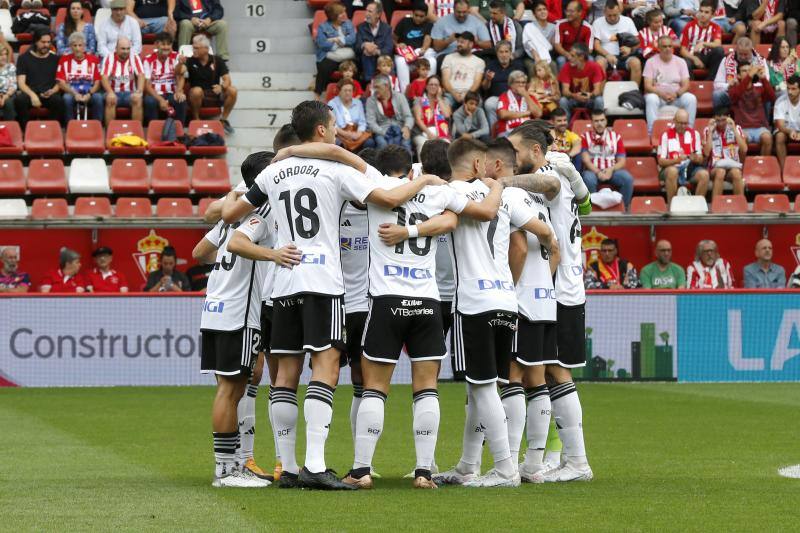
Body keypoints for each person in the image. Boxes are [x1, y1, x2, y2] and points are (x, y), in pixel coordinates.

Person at [220, 100, 450, 490]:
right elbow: (390, 200)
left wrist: (281, 160)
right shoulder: (337, 169)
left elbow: (231, 215)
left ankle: (288, 468)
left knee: (285, 377)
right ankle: (315, 464)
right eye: (335, 125)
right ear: (323, 130)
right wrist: (425, 180)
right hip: (322, 279)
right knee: (324, 369)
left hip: (281, 283)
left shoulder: (274, 171)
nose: (340, 131)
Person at [341, 144, 502, 490]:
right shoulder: (438, 192)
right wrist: (494, 183)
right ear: (410, 167)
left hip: (387, 301)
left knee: (375, 388)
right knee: (426, 388)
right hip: (427, 303)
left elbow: (350, 162)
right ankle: (424, 473)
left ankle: (361, 470)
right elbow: (470, 215)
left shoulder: (377, 187)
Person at [433, 137, 557, 489]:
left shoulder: (449, 193)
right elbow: (545, 233)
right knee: (483, 389)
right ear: (476, 165)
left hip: (472, 301)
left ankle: (505, 468)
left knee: (482, 387)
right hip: (506, 300)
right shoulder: (502, 194)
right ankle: (468, 465)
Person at [193, 155, 297, 489]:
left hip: (215, 308)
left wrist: (225, 274)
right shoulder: (261, 213)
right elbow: (240, 244)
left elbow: (199, 253)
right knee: (231, 388)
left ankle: (235, 464)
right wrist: (273, 255)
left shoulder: (227, 220)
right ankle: (226, 471)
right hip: (239, 313)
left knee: (235, 386)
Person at [506, 120, 594, 483]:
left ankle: (577, 462)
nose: (512, 158)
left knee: (554, 372)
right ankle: (539, 461)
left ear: (535, 151)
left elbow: (550, 184)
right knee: (539, 372)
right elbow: (582, 203)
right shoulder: (559, 172)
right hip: (563, 287)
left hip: (557, 290)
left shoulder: (550, 172)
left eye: (516, 151)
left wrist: (498, 182)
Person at [482, 137, 559, 478]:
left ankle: (510, 463)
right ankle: (534, 463)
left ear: (498, 166)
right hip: (545, 298)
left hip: (522, 300)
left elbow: (519, 247)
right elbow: (553, 246)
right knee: (537, 380)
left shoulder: (509, 195)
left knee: (513, 377)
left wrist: (510, 287)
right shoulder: (537, 199)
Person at [643, 34, 697, 136]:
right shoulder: (650, 62)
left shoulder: (681, 62)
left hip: (676, 97)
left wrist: (676, 94)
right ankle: (652, 133)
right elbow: (647, 85)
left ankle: (689, 131)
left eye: (670, 46)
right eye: (664, 46)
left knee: (691, 98)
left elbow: (686, 84)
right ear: (658, 48)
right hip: (659, 97)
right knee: (651, 98)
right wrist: (661, 94)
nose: (668, 49)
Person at [580, 109, 634, 210]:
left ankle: (623, 208)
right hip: (592, 171)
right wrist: (598, 172)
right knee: (588, 178)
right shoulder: (585, 137)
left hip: (612, 170)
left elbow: (622, 161)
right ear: (591, 122)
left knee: (627, 179)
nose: (599, 123)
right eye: (596, 121)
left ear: (606, 121)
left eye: (602, 120)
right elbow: (585, 160)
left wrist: (611, 169)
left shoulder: (616, 137)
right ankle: (592, 210)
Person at [186, 35, 237, 134]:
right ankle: (196, 119)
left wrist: (221, 87)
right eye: (193, 47)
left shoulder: (217, 60)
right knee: (196, 91)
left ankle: (223, 120)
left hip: (214, 94)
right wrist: (180, 64)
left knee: (232, 90)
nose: (193, 50)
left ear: (205, 49)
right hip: (197, 96)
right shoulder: (189, 60)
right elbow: (180, 72)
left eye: (196, 48)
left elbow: (227, 80)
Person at [15, 28, 65, 128]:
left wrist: (53, 90)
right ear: (36, 41)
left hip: (49, 93)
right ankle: (26, 130)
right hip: (30, 92)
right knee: (20, 100)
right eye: (43, 42)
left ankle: (51, 130)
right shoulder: (23, 58)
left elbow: (60, 81)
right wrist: (33, 95)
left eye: (48, 42)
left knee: (58, 101)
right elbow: (21, 83)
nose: (46, 45)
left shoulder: (56, 59)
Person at [657, 108, 709, 203]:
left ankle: (696, 207)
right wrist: (677, 160)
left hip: (690, 167)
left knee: (704, 175)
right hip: (670, 167)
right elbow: (661, 161)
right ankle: (672, 207)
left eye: (685, 123)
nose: (683, 126)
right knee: (672, 171)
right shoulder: (665, 135)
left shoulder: (695, 134)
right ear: (674, 121)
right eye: (680, 123)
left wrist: (696, 158)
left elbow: (700, 159)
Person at [728, 61, 775, 156]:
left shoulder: (759, 88)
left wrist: (763, 78)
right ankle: (742, 168)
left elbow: (772, 97)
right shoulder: (733, 89)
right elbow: (736, 95)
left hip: (760, 127)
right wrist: (749, 76)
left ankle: (763, 167)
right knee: (741, 139)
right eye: (744, 71)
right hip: (743, 128)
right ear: (738, 76)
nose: (748, 73)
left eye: (749, 70)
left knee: (767, 137)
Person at [56, 32, 104, 122]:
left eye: (80, 45)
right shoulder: (63, 60)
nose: (77, 49)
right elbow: (60, 82)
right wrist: (74, 94)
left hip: (89, 91)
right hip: (71, 92)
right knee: (66, 99)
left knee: (98, 98)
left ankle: (98, 126)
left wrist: (89, 94)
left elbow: (98, 82)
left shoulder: (94, 60)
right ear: (70, 47)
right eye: (75, 45)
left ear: (85, 46)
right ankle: (69, 126)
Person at [592, 0, 642, 85]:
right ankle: (601, 96)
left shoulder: (628, 21)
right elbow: (596, 45)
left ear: (619, 11)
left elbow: (638, 42)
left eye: (615, 15)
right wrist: (607, 55)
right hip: (605, 57)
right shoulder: (597, 22)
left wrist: (630, 49)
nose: (612, 18)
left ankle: (634, 94)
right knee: (600, 64)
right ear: (604, 12)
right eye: (609, 15)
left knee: (636, 63)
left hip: (624, 57)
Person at [313, 1, 356, 99]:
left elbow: (353, 39)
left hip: (346, 55)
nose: (344, 14)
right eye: (341, 13)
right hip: (331, 55)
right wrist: (340, 43)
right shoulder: (323, 27)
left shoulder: (348, 23)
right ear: (334, 16)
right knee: (324, 67)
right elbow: (322, 43)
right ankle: (317, 95)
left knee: (356, 66)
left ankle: (354, 93)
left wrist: (336, 40)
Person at [702, 106, 747, 198]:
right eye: (718, 120)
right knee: (720, 172)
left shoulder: (737, 128)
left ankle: (740, 207)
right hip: (715, 167)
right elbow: (706, 153)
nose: (721, 123)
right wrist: (710, 132)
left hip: (732, 165)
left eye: (723, 120)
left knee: (737, 173)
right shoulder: (708, 130)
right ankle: (715, 206)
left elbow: (744, 149)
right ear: (714, 119)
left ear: (729, 117)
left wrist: (733, 129)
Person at [143, 31, 187, 124]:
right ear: (156, 45)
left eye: (169, 44)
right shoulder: (148, 59)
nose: (166, 47)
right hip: (155, 94)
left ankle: (179, 131)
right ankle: (153, 130)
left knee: (181, 100)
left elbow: (180, 74)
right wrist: (161, 100)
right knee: (149, 101)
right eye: (163, 44)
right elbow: (147, 86)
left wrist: (179, 91)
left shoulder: (176, 56)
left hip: (172, 93)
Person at [712, 37, 768, 109]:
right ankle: (721, 118)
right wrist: (729, 85)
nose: (743, 57)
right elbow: (717, 84)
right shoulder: (726, 60)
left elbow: (766, 81)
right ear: (736, 50)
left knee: (766, 95)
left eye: (746, 54)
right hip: (734, 93)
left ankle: (765, 120)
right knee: (717, 95)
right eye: (740, 54)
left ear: (751, 50)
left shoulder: (761, 60)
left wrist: (749, 86)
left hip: (754, 94)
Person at [394, 3, 438, 91]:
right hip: (405, 53)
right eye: (416, 15)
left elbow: (427, 39)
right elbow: (393, 39)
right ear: (412, 13)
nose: (418, 18)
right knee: (400, 61)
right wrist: (397, 45)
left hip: (421, 52)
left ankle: (429, 90)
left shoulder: (429, 25)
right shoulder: (404, 21)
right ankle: (405, 92)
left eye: (421, 16)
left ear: (426, 16)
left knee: (432, 61)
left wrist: (424, 49)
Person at [100, 37, 145, 125]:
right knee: (110, 99)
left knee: (138, 99)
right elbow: (104, 77)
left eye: (128, 49)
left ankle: (137, 132)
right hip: (114, 91)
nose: (126, 51)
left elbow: (141, 75)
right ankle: (110, 132)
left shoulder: (134, 57)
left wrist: (139, 91)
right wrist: (110, 92)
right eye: (123, 49)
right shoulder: (109, 58)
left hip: (130, 92)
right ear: (116, 48)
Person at [557, 43, 604, 122]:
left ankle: (597, 124)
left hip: (589, 99)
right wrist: (574, 95)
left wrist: (590, 95)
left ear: (581, 57)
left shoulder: (594, 67)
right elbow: (565, 91)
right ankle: (565, 128)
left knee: (599, 100)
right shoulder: (566, 67)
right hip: (574, 99)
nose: (569, 57)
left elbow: (597, 91)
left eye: (572, 56)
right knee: (563, 101)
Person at [366, 74, 414, 152]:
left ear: (387, 86)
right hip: (381, 129)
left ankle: (408, 164)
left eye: (377, 87)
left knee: (405, 143)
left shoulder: (399, 97)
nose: (375, 90)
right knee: (382, 143)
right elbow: (371, 122)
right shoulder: (370, 100)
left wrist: (407, 127)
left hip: (400, 127)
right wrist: (382, 132)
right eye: (374, 87)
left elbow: (408, 116)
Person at [678, 0, 723, 81]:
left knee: (719, 51)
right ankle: (691, 87)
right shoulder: (689, 26)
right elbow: (682, 50)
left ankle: (710, 81)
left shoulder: (716, 27)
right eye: (701, 11)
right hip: (691, 57)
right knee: (685, 62)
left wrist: (703, 43)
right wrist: (694, 59)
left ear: (712, 15)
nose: (702, 14)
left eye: (706, 12)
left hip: (706, 56)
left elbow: (718, 44)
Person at [481, 40, 523, 126]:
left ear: (510, 52)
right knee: (489, 103)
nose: (504, 55)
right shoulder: (491, 66)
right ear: (497, 53)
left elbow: (524, 84)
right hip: (497, 98)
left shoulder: (518, 65)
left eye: (506, 51)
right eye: (501, 52)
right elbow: (485, 87)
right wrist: (488, 79)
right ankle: (494, 132)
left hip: (514, 99)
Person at [441, 31, 485, 107]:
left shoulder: (479, 61)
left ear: (471, 44)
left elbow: (477, 82)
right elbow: (445, 80)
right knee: (443, 104)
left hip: (470, 94)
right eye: (458, 42)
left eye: (462, 42)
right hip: (451, 93)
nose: (459, 44)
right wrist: (454, 93)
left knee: (478, 103)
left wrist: (467, 95)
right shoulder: (448, 58)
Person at [412, 75, 451, 156]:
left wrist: (439, 98)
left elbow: (447, 115)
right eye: (431, 84)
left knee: (446, 146)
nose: (433, 87)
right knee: (423, 145)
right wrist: (429, 133)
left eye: (436, 85)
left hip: (441, 133)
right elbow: (418, 120)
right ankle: (423, 169)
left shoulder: (445, 100)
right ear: (426, 86)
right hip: (422, 132)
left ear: (440, 87)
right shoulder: (419, 100)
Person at [330, 79, 373, 151]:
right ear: (339, 91)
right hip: (340, 134)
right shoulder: (332, 104)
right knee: (338, 143)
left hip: (356, 132)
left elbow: (362, 122)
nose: (348, 93)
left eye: (350, 90)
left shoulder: (358, 103)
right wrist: (346, 134)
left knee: (370, 142)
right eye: (345, 90)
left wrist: (358, 134)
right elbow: (333, 125)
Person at [356, 1, 394, 83]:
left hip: (381, 57)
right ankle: (370, 83)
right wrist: (364, 45)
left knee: (385, 59)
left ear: (378, 14)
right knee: (366, 54)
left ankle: (388, 86)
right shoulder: (361, 27)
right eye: (366, 11)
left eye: (370, 11)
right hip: (366, 58)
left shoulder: (387, 28)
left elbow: (389, 48)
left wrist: (376, 51)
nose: (366, 14)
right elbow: (357, 46)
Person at [495, 70, 541, 136]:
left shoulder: (530, 97)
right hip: (508, 131)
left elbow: (538, 114)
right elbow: (503, 114)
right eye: (517, 82)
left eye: (523, 82)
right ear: (511, 84)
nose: (521, 85)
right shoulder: (504, 96)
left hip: (528, 131)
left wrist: (526, 95)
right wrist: (526, 113)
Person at [553, 0, 593, 69]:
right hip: (565, 54)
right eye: (567, 11)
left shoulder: (588, 28)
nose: (568, 14)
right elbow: (557, 45)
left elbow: (589, 49)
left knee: (590, 59)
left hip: (581, 55)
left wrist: (578, 57)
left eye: (571, 11)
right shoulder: (560, 24)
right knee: (561, 60)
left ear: (580, 12)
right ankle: (563, 79)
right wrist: (568, 55)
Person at [521, 0, 556, 69]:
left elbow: (553, 45)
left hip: (548, 56)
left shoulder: (554, 27)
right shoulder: (529, 26)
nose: (542, 12)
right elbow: (527, 43)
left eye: (544, 9)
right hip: (531, 56)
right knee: (533, 66)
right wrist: (536, 57)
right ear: (534, 14)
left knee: (552, 65)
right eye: (539, 10)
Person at [775, 75, 800, 171]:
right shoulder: (780, 101)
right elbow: (780, 125)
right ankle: (784, 170)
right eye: (788, 88)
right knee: (779, 136)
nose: (790, 92)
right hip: (786, 130)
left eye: (794, 89)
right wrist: (790, 131)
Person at [0, 47, 16, 120]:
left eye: (5, 54)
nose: (4, 57)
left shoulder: (10, 67)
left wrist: (5, 97)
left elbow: (13, 85)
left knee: (8, 103)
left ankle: (10, 128)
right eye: (1, 55)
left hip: (9, 94)